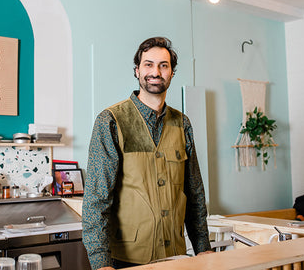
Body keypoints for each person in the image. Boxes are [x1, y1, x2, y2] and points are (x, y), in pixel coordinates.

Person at [82, 37, 212, 270]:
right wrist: (101, 262)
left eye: (163, 65)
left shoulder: (182, 123)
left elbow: (194, 193)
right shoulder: (111, 120)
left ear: (172, 73)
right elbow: (96, 199)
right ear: (137, 71)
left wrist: (203, 248)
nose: (156, 71)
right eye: (148, 64)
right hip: (126, 260)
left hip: (176, 257)